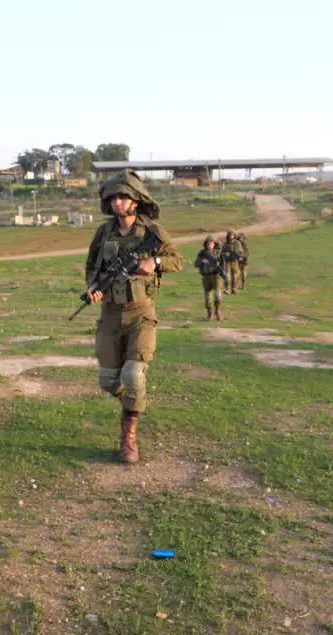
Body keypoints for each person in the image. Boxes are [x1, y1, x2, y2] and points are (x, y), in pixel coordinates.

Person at [83, 170, 184, 464]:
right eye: (113, 197)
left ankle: (129, 438)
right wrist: (92, 287)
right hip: (110, 314)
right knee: (108, 382)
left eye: (124, 196)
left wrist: (155, 262)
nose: (118, 202)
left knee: (133, 374)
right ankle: (134, 401)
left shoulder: (152, 231)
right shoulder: (103, 233)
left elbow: (178, 260)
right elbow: (91, 265)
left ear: (136, 201)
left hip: (141, 313)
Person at [194, 235, 225, 321]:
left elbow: (224, 264)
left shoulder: (218, 253)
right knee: (208, 297)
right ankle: (209, 313)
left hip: (216, 276)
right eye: (208, 243)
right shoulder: (202, 253)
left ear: (214, 244)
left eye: (211, 243)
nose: (210, 245)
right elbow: (196, 264)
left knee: (218, 296)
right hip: (206, 276)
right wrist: (201, 261)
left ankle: (217, 311)